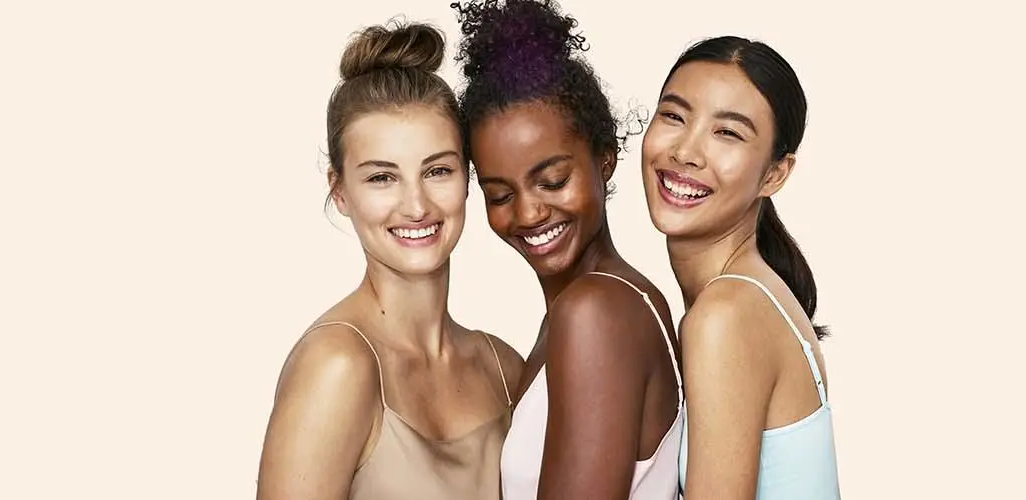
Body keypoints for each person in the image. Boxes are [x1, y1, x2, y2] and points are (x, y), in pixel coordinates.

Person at [254, 20, 525, 500]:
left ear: (468, 176)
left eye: (437, 170)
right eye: (382, 178)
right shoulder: (337, 367)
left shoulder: (502, 368)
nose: (416, 206)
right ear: (340, 191)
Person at [450, 1, 684, 498]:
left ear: (605, 158)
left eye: (553, 181)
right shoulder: (589, 310)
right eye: (499, 195)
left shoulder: (595, 312)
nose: (529, 213)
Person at [638, 35, 841, 499]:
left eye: (727, 133)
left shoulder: (726, 315)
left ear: (775, 174)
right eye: (674, 116)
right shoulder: (750, 294)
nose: (686, 152)